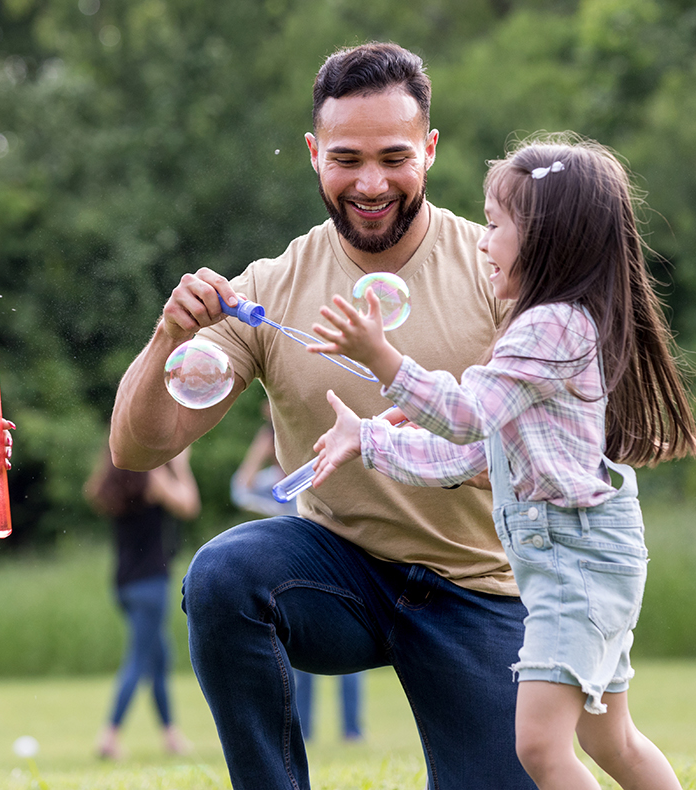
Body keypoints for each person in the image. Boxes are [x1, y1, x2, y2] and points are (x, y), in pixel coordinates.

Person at [110, 42, 533, 788]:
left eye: (394, 157)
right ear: (313, 154)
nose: (370, 184)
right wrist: (166, 337)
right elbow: (138, 448)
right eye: (346, 159)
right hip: (340, 581)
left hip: (480, 588)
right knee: (223, 574)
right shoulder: (271, 287)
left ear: (430, 151)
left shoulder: (496, 271)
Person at [305, 134, 696, 790]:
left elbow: (463, 415)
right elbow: (462, 451)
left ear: (548, 240)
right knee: (613, 740)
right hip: (578, 561)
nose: (482, 243)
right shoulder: (549, 329)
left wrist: (384, 360)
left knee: (543, 749)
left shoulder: (551, 329)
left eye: (495, 226)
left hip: (576, 564)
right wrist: (367, 440)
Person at [230, 402, 365, 744]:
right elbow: (239, 489)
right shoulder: (275, 485)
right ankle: (305, 731)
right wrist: (258, 451)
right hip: (296, 575)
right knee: (303, 662)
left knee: (350, 661)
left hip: (337, 567)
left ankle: (352, 731)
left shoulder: (316, 470)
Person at [84, 446, 200, 760]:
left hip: (123, 585)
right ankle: (109, 735)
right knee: (138, 658)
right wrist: (181, 466)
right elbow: (189, 505)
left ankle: (171, 735)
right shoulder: (153, 479)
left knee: (159, 658)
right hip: (151, 583)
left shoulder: (111, 483)